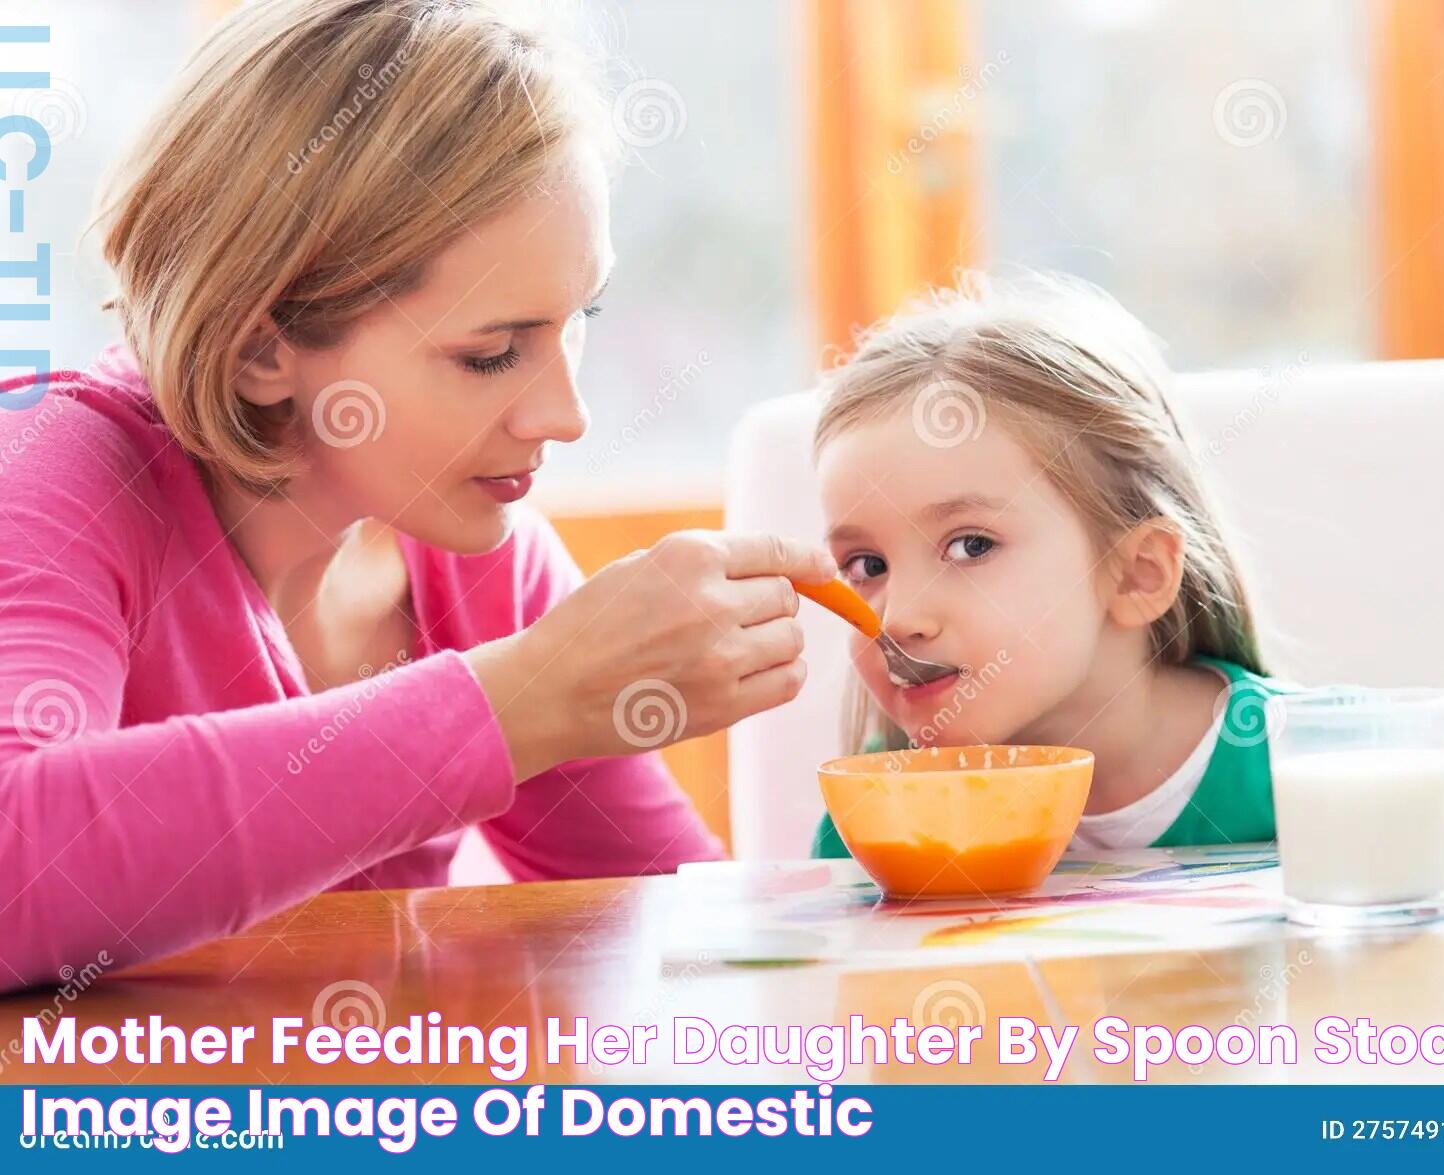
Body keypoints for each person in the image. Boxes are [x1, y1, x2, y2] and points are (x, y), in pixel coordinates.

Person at [0, 0, 835, 991]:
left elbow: (686, 927)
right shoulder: (53, 469)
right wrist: (521, 701)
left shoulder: (477, 555)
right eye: (492, 354)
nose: (565, 416)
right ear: (261, 345)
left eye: (576, 320)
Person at [809, 272, 1444, 861]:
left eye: (971, 546)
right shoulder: (875, 820)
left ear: (1138, 573)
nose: (897, 618)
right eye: (866, 564)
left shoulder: (1322, 772)